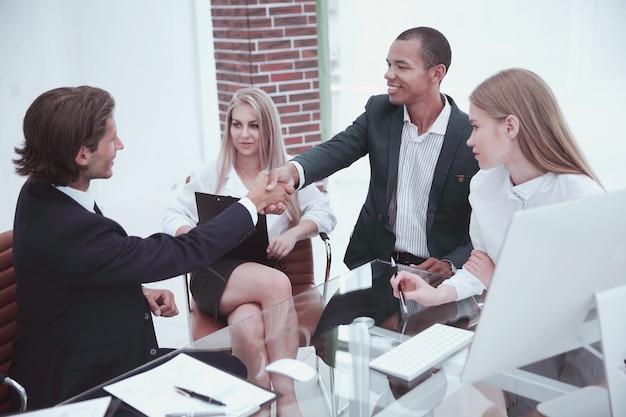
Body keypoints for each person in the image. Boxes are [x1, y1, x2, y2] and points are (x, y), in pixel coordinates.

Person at [9, 86, 293, 411]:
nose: (120, 145)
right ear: (82, 154)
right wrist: (250, 204)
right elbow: (178, 252)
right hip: (83, 383)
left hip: (91, 349)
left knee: (233, 371)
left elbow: (72, 270)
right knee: (232, 384)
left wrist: (135, 291)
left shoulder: (40, 193)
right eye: (111, 139)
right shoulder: (72, 228)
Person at [390, 68, 605, 416]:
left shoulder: (580, 197)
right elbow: (480, 265)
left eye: (475, 127)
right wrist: (434, 293)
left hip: (575, 344)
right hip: (514, 333)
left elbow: (581, 303)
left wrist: (500, 282)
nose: (469, 140)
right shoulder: (485, 187)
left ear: (510, 126)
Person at [162, 87, 336, 417]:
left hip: (262, 270)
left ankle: (254, 403)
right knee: (276, 285)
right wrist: (197, 236)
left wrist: (295, 233)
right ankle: (286, 397)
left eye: (253, 125)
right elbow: (172, 216)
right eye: (236, 124)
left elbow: (325, 212)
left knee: (246, 325)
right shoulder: (209, 173)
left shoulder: (285, 173)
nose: (244, 134)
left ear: (267, 128)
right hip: (215, 271)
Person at [268, 26, 479, 277]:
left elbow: (487, 220)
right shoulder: (379, 111)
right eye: (389, 64)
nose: (389, 74)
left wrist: (452, 262)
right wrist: (293, 171)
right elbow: (338, 150)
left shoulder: (470, 135)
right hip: (376, 266)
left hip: (439, 276)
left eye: (402, 66)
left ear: (436, 73)